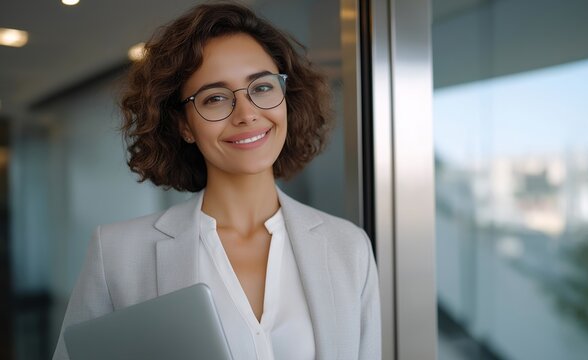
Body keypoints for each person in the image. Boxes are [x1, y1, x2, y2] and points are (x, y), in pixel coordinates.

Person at [52, 2, 381, 360]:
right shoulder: (118, 255)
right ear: (183, 125)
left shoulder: (349, 247)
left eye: (263, 87)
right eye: (215, 98)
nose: (247, 114)